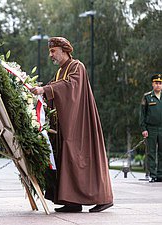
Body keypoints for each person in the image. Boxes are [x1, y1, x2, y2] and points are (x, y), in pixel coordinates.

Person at [31, 36, 113, 213]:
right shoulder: (61, 71)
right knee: (67, 160)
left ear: (64, 50)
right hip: (67, 124)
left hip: (80, 123)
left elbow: (71, 86)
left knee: (85, 160)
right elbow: (57, 87)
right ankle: (72, 202)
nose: (51, 55)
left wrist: (46, 89)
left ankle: (103, 198)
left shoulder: (77, 66)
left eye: (53, 51)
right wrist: (42, 91)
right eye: (50, 51)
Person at [140, 74, 162, 183]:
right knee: (152, 152)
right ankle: (153, 175)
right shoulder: (147, 97)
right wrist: (144, 129)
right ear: (152, 84)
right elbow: (142, 115)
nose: (158, 85)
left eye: (160, 83)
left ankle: (160, 174)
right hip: (151, 128)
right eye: (156, 83)